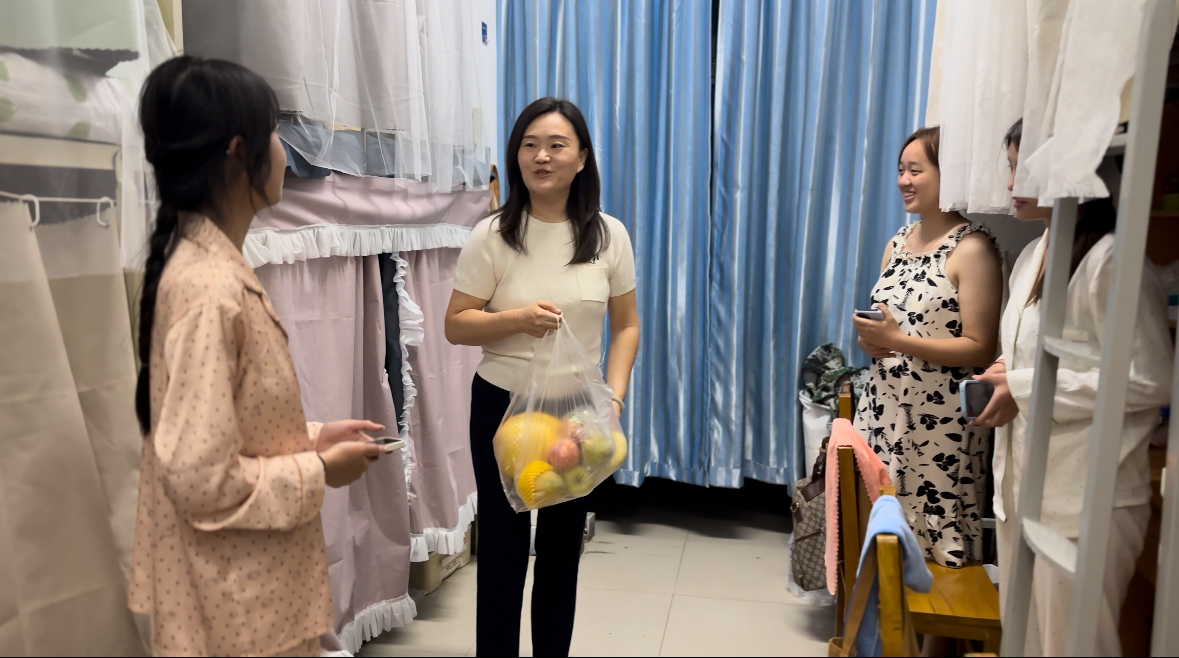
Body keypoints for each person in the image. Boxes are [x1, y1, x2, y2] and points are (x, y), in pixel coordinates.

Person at [128, 56, 384, 657]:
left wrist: (312, 438)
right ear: (238, 152)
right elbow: (201, 479)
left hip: (247, 599)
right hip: (234, 608)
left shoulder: (212, 268)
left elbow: (226, 427)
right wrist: (320, 471)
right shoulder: (209, 289)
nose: (284, 151)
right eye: (273, 132)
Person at [445, 97, 640, 656]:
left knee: (560, 552)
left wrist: (614, 399)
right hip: (503, 408)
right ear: (516, 156)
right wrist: (516, 320)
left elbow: (627, 326)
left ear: (582, 158)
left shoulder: (609, 236)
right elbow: (456, 324)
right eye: (529, 145)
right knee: (502, 552)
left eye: (556, 145)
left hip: (577, 412)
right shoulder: (492, 235)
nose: (541, 157)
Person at [974, 119, 1173, 656]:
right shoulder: (1034, 256)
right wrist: (1005, 371)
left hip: (1085, 498)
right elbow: (1031, 354)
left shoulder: (1111, 261)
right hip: (1023, 488)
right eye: (1010, 168)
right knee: (1024, 641)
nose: (1011, 183)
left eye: (1023, 169)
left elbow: (1151, 377)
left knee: (1073, 647)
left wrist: (1022, 385)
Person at [852, 126, 1004, 568]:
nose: (904, 180)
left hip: (940, 424)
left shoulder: (972, 249)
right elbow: (890, 323)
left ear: (949, 173)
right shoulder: (897, 243)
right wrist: (874, 342)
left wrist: (897, 341)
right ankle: (879, 611)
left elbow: (980, 348)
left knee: (936, 541)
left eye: (915, 170)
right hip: (883, 408)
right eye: (901, 170)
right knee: (879, 522)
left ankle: (936, 615)